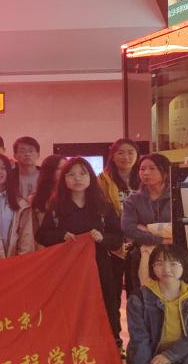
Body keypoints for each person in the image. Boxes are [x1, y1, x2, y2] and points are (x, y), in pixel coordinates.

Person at [36, 157, 123, 348]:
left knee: (105, 303)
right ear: (63, 179)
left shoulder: (103, 206)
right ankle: (72, 345)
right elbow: (41, 235)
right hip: (67, 268)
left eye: (83, 173)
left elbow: (118, 238)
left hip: (99, 266)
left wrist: (102, 238)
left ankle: (112, 344)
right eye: (71, 174)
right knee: (71, 306)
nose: (77, 178)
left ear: (90, 177)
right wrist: (61, 236)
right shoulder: (56, 207)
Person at [123, 153, 174, 296]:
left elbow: (179, 227)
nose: (146, 173)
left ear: (165, 171)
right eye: (142, 169)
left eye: (152, 168)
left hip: (174, 253)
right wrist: (162, 239)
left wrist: (146, 228)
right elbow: (128, 228)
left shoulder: (176, 195)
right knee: (143, 297)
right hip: (141, 254)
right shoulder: (132, 200)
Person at [99, 138, 141, 302]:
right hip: (113, 242)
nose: (126, 157)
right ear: (113, 156)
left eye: (131, 152)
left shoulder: (144, 179)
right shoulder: (102, 181)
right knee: (112, 291)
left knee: (137, 290)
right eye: (121, 153)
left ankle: (136, 319)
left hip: (139, 241)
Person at [29, 154, 67, 238]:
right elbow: (34, 229)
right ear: (50, 171)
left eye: (67, 168)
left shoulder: (72, 194)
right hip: (47, 243)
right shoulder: (36, 198)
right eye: (60, 168)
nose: (65, 171)